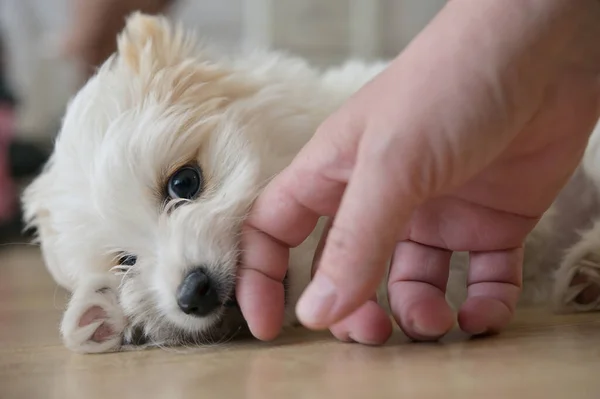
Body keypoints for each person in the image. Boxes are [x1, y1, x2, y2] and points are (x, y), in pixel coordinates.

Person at [64, 0, 600, 345]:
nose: (188, 286)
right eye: (128, 260)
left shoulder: (368, 101)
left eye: (186, 186)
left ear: (220, 88)